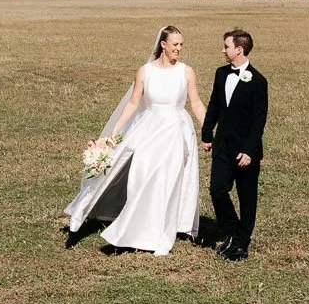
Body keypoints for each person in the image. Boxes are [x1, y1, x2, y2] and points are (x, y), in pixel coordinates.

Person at [64, 24, 207, 255]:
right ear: (163, 45)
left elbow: (197, 103)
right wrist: (114, 132)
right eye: (175, 45)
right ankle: (130, 225)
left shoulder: (186, 72)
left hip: (176, 131)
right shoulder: (145, 71)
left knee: (166, 178)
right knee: (142, 176)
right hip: (149, 129)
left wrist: (209, 130)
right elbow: (133, 103)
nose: (179, 49)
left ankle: (160, 229)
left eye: (181, 45)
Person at [201, 28, 267, 261]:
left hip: (246, 151)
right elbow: (214, 105)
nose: (222, 50)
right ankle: (231, 232)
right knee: (217, 189)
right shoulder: (221, 74)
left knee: (247, 197)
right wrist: (207, 133)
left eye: (226, 46)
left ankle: (242, 244)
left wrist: (249, 151)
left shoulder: (258, 81)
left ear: (239, 50)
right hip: (222, 146)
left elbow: (258, 121)